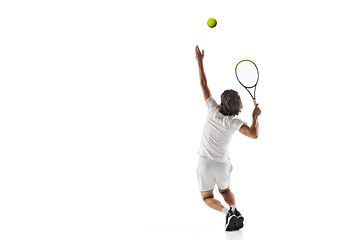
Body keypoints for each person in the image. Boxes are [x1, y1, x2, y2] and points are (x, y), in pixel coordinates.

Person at [195, 45, 261, 231]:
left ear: (222, 101)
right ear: (238, 106)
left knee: (207, 198)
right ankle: (235, 210)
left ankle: (227, 213)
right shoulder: (235, 122)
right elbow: (254, 135)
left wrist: (200, 62)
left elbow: (204, 85)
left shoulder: (212, 109)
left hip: (205, 163)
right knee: (226, 191)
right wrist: (255, 117)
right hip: (222, 164)